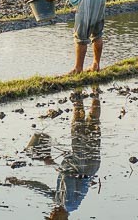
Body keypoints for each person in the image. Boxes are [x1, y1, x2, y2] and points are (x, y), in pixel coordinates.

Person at [7, 89, 102, 218]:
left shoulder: (60, 202)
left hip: (86, 162)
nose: (51, 214)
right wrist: (52, 163)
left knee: (92, 126)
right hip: (85, 162)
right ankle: (81, 96)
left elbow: (41, 188)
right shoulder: (68, 204)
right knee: (80, 127)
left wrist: (21, 182)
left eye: (50, 216)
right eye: (53, 218)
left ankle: (93, 93)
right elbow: (70, 177)